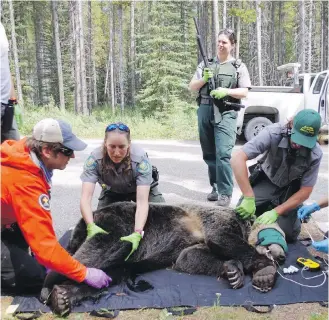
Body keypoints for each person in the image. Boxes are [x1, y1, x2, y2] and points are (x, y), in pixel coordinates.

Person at [1, 118, 112, 294]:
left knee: (33, 255)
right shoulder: (25, 182)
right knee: (36, 278)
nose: (73, 156)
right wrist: (83, 273)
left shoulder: (25, 155)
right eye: (67, 151)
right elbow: (45, 247)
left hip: (6, 219)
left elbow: (40, 229)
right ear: (46, 150)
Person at [231, 109, 323, 242]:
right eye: (297, 138)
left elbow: (305, 191)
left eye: (305, 141)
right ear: (291, 125)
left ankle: (282, 209)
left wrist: (277, 211)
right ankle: (265, 205)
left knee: (289, 235)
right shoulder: (273, 132)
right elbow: (237, 158)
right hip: (267, 180)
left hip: (291, 189)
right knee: (242, 217)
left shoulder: (315, 153)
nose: (299, 145)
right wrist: (248, 197)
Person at [80, 122, 165, 259]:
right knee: (104, 224)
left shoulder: (141, 159)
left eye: (122, 147)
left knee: (161, 217)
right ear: (105, 144)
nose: (117, 152)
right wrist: (90, 225)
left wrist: (138, 232)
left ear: (129, 145)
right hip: (112, 192)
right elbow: (85, 198)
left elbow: (142, 202)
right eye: (112, 147)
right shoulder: (94, 159)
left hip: (140, 189)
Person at [189, 28, 251, 207]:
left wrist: (227, 91)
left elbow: (244, 91)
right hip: (205, 110)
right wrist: (203, 79)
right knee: (209, 153)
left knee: (223, 154)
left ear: (232, 45)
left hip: (226, 112)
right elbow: (192, 86)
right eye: (219, 41)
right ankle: (215, 188)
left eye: (224, 42)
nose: (220, 45)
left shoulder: (238, 66)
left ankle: (225, 192)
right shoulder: (206, 64)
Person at [0, 21, 20, 143]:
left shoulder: (0, 27)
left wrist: (13, 96)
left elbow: (5, 63)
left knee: (14, 151)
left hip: (6, 102)